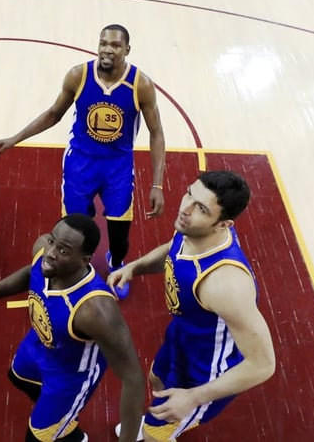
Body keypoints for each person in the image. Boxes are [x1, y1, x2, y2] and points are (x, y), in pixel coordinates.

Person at [0, 24, 166, 299]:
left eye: (115, 45)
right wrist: (14, 138)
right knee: (75, 227)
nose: (107, 49)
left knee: (119, 233)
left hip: (117, 166)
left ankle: (116, 264)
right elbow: (54, 113)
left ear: (127, 50)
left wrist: (157, 185)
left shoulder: (141, 84)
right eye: (103, 42)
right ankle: (81, 271)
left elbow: (157, 133)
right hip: (80, 164)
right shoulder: (78, 76)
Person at [0, 213, 144, 442]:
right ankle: (64, 425)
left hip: (70, 378)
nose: (50, 253)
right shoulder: (45, 253)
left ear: (85, 260)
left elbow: (133, 379)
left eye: (63, 250)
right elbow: (31, 272)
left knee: (36, 437)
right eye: (52, 240)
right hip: (42, 345)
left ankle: (64, 424)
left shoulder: (96, 310)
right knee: (18, 376)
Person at [106, 171, 275, 441]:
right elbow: (174, 248)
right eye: (189, 194)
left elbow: (263, 364)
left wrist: (193, 397)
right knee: (156, 380)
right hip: (183, 334)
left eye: (201, 208)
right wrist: (135, 268)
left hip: (205, 372)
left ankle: (160, 432)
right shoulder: (194, 227)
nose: (184, 208)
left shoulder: (226, 284)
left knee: (154, 432)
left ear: (223, 225)